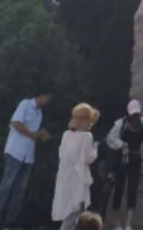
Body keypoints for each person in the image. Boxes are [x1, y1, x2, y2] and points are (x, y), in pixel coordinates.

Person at [0, 88, 53, 230]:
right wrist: (33, 135)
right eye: (47, 97)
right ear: (41, 95)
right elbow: (16, 123)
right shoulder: (25, 104)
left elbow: (33, 132)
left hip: (28, 156)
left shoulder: (40, 113)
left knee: (20, 190)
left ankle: (10, 221)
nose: (48, 101)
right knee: (6, 186)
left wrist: (40, 135)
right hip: (15, 152)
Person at [52, 104, 100, 230]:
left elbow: (61, 154)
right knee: (76, 212)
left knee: (67, 211)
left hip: (64, 177)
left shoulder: (66, 135)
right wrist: (96, 148)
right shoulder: (86, 136)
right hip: (78, 179)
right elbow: (89, 158)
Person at [107, 101, 143, 230]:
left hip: (136, 158)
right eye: (133, 114)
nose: (135, 117)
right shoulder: (121, 124)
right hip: (122, 158)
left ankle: (129, 222)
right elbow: (110, 138)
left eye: (137, 114)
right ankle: (116, 221)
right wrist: (121, 144)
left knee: (132, 189)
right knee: (119, 188)